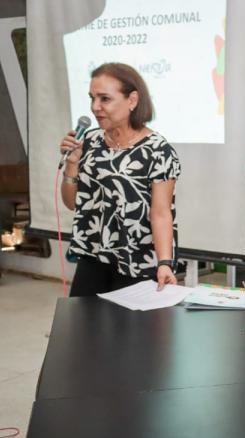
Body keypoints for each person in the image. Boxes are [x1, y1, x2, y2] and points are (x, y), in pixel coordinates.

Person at [59, 62, 181, 296]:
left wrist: (165, 262)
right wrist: (72, 164)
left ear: (132, 100)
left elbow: (161, 213)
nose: (95, 107)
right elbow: (72, 203)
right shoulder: (90, 141)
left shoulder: (158, 150)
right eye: (92, 98)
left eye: (104, 99)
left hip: (137, 260)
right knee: (81, 319)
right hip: (93, 255)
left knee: (129, 321)